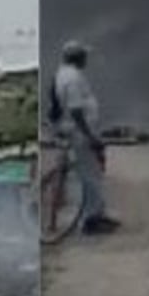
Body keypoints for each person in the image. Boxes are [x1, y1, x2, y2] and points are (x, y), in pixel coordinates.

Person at [52, 41, 120, 234]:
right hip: (80, 132)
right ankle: (91, 220)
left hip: (75, 130)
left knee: (91, 173)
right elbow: (75, 110)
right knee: (90, 176)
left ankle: (97, 214)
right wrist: (89, 136)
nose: (86, 59)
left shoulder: (64, 74)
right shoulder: (73, 78)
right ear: (77, 57)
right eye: (84, 56)